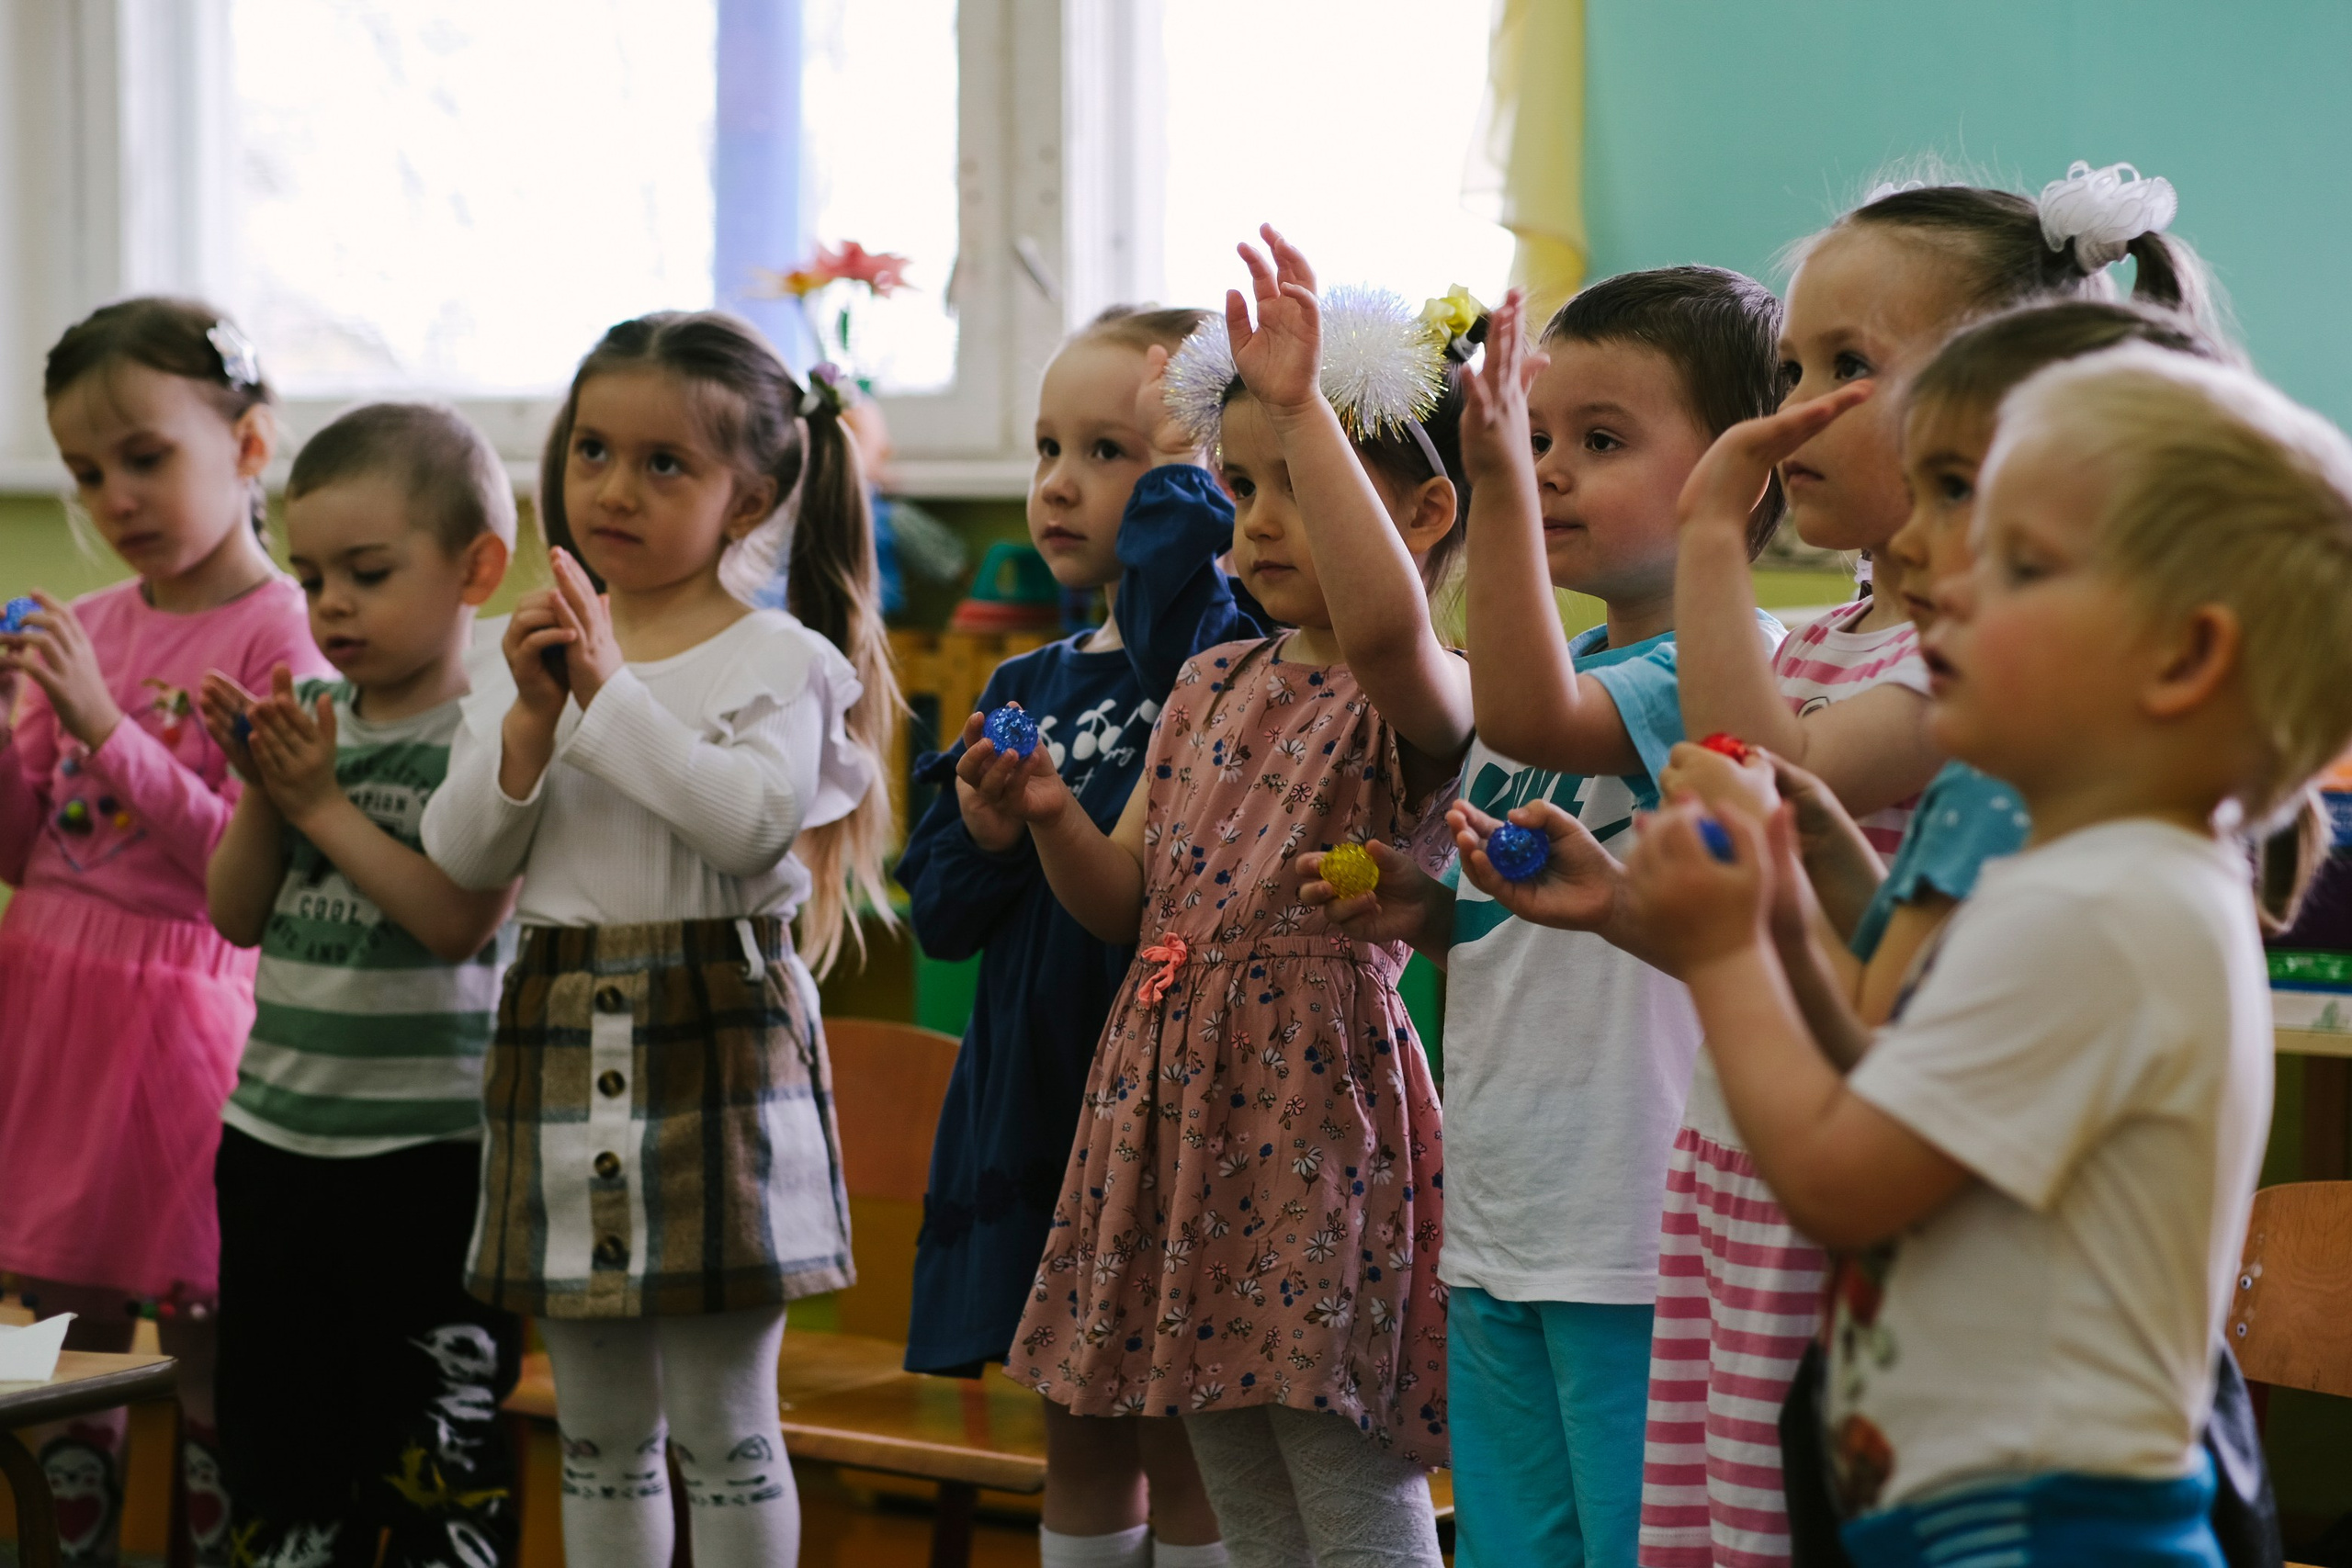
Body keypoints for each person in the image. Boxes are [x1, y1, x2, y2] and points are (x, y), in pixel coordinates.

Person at [1623, 344, 2352, 1566]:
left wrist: (1723, 951)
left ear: (2182, 657)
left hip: (2037, 1535)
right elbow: (1898, 1093)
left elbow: (1838, 1180)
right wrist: (1786, 921)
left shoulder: (2103, 907)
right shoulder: (2101, 876)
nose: (1936, 572)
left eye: (2019, 564)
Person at [989, 229, 1464, 1566]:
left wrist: (1301, 404)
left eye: (1298, 486)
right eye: (1241, 483)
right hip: (1180, 1117)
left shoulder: (1418, 687)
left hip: (1314, 1117)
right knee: (1241, 1481)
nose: (1253, 520)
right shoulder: (1207, 684)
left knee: (1337, 1463)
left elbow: (1388, 630)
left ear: (1425, 516)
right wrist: (1050, 816)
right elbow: (1127, 902)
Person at [1311, 266, 1788, 1567]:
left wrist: (1500, 491)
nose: (1552, 469)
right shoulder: (1563, 673)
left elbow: (1533, 720)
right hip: (1508, 1218)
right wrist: (1433, 910)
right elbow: (1522, 925)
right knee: (1514, 1544)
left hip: (1634, 1236)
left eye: (1602, 439)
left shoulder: (1727, 666)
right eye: (1536, 438)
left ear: (1741, 479)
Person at [420, 310, 895, 1568]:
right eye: (593, 450)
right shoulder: (516, 655)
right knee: (597, 1429)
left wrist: (605, 692)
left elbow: (747, 826)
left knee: (726, 1428)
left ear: (753, 499)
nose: (613, 489)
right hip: (558, 1025)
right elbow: (463, 857)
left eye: (664, 463)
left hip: (716, 1032)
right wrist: (530, 722)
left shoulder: (777, 656)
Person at [899, 304, 1262, 1568]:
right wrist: (987, 831)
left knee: (1187, 1433)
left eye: (1110, 452)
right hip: (1040, 1097)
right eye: (1049, 446)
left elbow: (1184, 607)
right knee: (1079, 1429)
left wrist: (1187, 462)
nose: (1059, 482)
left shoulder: (1221, 653)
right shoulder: (1024, 684)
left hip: (1171, 1104)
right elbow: (940, 915)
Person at [0, 298, 330, 1568]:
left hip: (182, 1022)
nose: (115, 498)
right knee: (57, 1325)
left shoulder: (283, 631)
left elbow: (243, 868)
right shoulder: (90, 622)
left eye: (145, 457)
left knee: (204, 1322)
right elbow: (20, 848)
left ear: (247, 445)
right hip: (52, 1012)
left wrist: (105, 726)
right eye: (87, 472)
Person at [198, 402, 525, 1568]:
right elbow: (235, 915)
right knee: (282, 1447)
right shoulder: (314, 724)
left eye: (367, 574)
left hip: (433, 1162)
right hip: (277, 1142)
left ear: (476, 568)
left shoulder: (494, 735)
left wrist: (319, 804)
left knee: (435, 1455)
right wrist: (263, 786)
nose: (330, 605)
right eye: (311, 578)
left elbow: (454, 921)